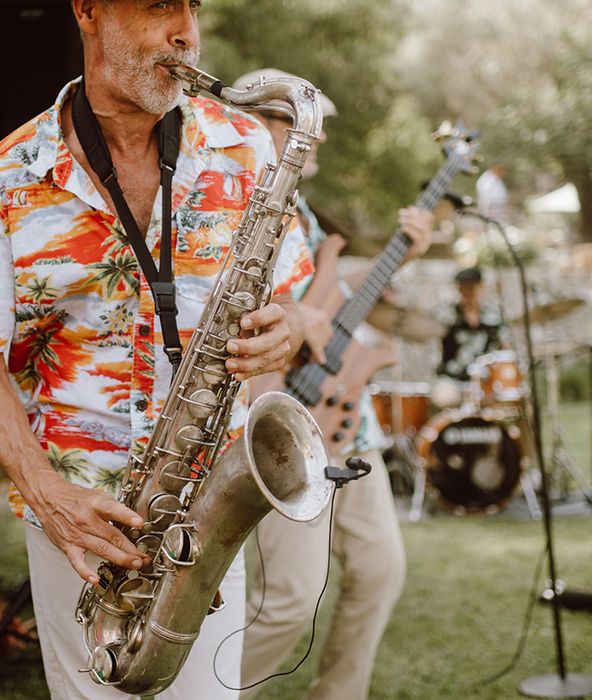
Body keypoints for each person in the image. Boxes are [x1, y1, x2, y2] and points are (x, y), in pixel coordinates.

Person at [0, 5, 316, 699]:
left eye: (193, 7)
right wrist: (45, 492)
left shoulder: (248, 147)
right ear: (88, 9)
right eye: (159, 5)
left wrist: (288, 323)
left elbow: (289, 297)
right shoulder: (10, 174)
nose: (186, 33)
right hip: (76, 527)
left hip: (203, 513)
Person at [232, 69, 433, 700]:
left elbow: (330, 309)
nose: (316, 141)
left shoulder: (305, 219)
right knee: (289, 599)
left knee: (380, 570)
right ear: (259, 122)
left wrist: (406, 253)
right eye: (303, 124)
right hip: (284, 428)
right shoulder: (223, 207)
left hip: (348, 425)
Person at [436, 266, 508, 384]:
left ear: (481, 287)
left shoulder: (495, 315)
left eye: (472, 288)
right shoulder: (446, 314)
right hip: (452, 378)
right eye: (463, 288)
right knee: (444, 397)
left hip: (487, 379)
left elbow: (505, 346)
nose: (467, 292)